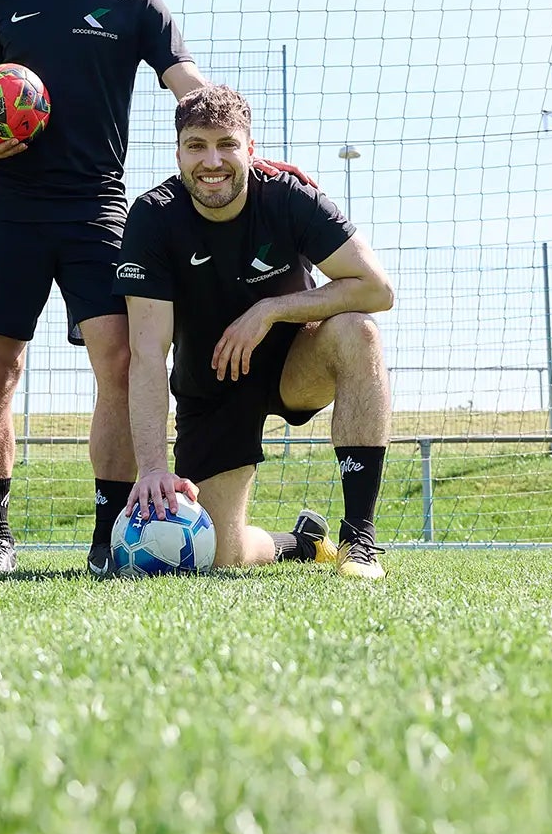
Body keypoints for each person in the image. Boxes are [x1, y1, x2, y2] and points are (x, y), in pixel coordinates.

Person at [0, 0, 210, 577]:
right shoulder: (4, 3)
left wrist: (222, 113)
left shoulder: (136, 6)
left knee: (122, 363)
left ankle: (106, 539)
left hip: (96, 208)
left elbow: (181, 78)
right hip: (6, 209)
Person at [117, 85, 396, 579]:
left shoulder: (289, 196)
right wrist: (154, 468)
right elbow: (147, 350)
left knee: (359, 332)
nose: (213, 161)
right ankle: (302, 543)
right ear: (178, 152)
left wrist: (270, 309)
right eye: (197, 145)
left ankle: (359, 543)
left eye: (227, 144)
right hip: (211, 385)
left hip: (294, 362)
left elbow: (377, 289)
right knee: (219, 555)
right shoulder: (153, 216)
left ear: (250, 148)